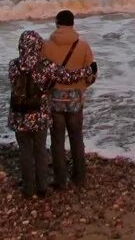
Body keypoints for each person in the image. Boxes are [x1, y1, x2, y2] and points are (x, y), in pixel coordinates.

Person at [8, 30, 95, 198]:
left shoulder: (13, 65)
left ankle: (28, 188)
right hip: (39, 115)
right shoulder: (45, 66)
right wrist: (88, 70)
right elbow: (68, 77)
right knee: (40, 151)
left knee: (25, 152)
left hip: (19, 115)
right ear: (38, 45)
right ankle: (42, 188)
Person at [41, 10, 96, 188]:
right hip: (75, 99)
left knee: (57, 140)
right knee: (76, 137)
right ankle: (80, 177)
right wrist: (81, 87)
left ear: (57, 23)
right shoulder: (83, 46)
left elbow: (42, 74)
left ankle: (60, 180)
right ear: (73, 24)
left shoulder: (46, 46)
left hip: (54, 100)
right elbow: (90, 75)